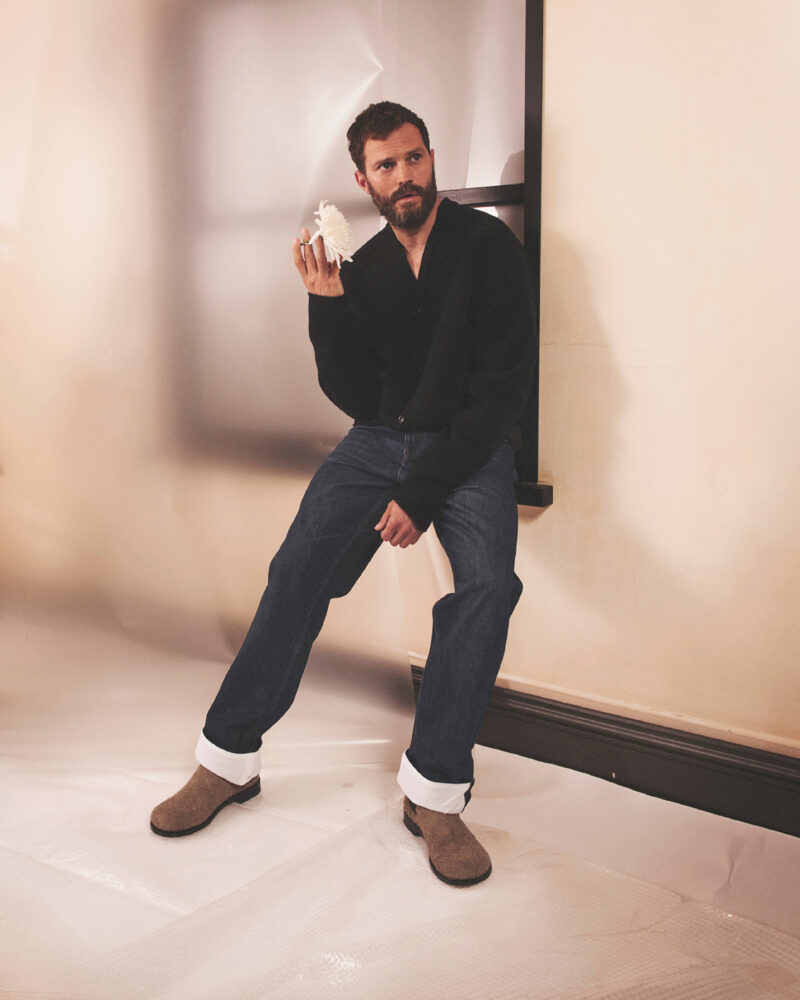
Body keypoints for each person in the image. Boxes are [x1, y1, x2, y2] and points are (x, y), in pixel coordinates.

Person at [150, 101, 536, 887]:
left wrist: (422, 491)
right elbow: (358, 395)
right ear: (364, 180)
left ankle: (434, 795)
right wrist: (327, 306)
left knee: (489, 588)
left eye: (415, 157)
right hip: (378, 440)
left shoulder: (487, 247)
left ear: (432, 159)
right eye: (387, 165)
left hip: (469, 448)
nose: (405, 175)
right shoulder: (367, 268)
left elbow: (500, 391)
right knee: (298, 570)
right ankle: (226, 761)